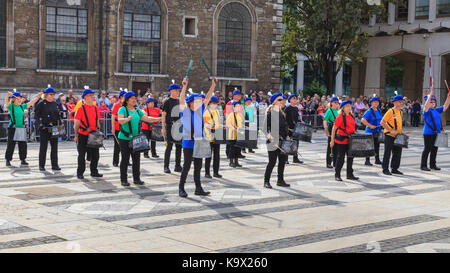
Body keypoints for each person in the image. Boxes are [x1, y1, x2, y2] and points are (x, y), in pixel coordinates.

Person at [178, 77, 216, 198]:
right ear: (190, 102)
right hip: (188, 143)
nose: (199, 102)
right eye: (196, 101)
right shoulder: (185, 111)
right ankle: (181, 188)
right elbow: (181, 100)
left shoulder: (200, 111)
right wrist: (184, 86)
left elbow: (208, 98)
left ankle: (198, 188)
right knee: (187, 166)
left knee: (198, 167)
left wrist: (213, 86)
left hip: (199, 142)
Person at [117, 92, 161, 186]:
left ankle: (136, 178)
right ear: (127, 100)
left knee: (136, 159)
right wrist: (126, 119)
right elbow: (119, 120)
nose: (134, 100)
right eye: (132, 98)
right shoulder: (122, 109)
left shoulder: (137, 110)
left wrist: (158, 119)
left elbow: (146, 118)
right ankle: (123, 179)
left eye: (135, 98)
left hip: (135, 138)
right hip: (124, 138)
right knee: (125, 159)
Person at [4, 90, 42, 166]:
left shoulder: (22, 106)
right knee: (11, 144)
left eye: (20, 98)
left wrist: (38, 97)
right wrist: (7, 96)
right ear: (14, 99)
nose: (19, 99)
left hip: (21, 127)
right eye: (17, 98)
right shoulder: (11, 107)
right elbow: (6, 103)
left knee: (23, 144)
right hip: (13, 128)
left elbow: (31, 102)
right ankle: (8, 159)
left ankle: (23, 159)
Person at [73, 88, 103, 179]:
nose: (92, 97)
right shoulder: (80, 109)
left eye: (92, 95)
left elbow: (97, 121)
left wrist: (99, 131)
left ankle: (94, 171)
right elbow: (76, 124)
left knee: (95, 155)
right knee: (82, 155)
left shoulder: (96, 108)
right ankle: (80, 173)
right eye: (90, 95)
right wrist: (75, 135)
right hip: (83, 135)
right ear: (85, 97)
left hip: (93, 135)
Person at [263, 93, 290, 189]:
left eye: (282, 99)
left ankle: (280, 180)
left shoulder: (282, 114)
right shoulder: (270, 114)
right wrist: (270, 136)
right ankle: (266, 181)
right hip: (273, 142)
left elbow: (285, 127)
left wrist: (286, 136)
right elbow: (264, 129)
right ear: (274, 102)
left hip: (282, 141)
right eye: (279, 100)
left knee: (282, 161)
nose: (282, 101)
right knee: (272, 162)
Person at [420, 92, 450, 171]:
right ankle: (423, 165)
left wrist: (448, 97)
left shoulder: (436, 110)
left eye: (434, 102)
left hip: (436, 133)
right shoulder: (426, 111)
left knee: (434, 149)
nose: (433, 103)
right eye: (431, 102)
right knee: (427, 149)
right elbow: (426, 106)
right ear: (428, 102)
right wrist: (429, 97)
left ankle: (433, 165)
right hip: (428, 133)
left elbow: (445, 106)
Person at [330, 100, 359, 181]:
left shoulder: (351, 116)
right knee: (340, 158)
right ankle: (337, 175)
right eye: (347, 106)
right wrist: (332, 141)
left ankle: (349, 174)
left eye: (350, 106)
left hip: (350, 140)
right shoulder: (340, 117)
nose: (349, 108)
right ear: (343, 108)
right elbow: (334, 129)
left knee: (350, 158)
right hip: (341, 141)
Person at [35, 86, 62, 171]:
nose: (53, 96)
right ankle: (41, 165)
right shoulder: (41, 104)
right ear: (46, 95)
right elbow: (36, 115)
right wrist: (40, 124)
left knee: (54, 147)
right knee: (43, 147)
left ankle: (54, 165)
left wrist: (60, 123)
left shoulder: (55, 104)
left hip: (54, 128)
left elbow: (58, 115)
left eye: (54, 94)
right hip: (44, 128)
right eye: (51, 94)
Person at [380, 95, 405, 176]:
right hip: (389, 135)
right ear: (395, 103)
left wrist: (401, 132)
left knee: (397, 152)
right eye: (400, 102)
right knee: (387, 152)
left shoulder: (401, 112)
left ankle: (394, 168)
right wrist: (390, 130)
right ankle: (385, 169)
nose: (401, 103)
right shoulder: (390, 111)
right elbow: (382, 122)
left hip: (398, 135)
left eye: (402, 102)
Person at [162, 82, 183, 174]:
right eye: (175, 90)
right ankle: (166, 166)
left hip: (178, 127)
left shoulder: (179, 101)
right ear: (171, 91)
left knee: (179, 147)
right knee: (169, 147)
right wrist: (163, 127)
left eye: (178, 90)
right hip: (170, 126)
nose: (177, 92)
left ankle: (177, 166)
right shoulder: (167, 102)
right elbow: (163, 115)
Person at [203, 96, 223, 178]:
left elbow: (218, 122)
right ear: (210, 103)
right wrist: (212, 126)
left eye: (216, 103)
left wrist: (221, 126)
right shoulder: (206, 112)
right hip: (209, 135)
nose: (214, 105)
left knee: (217, 155)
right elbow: (205, 124)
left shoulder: (217, 111)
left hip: (217, 135)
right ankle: (207, 172)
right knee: (208, 155)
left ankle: (216, 172)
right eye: (213, 103)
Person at [361, 95, 383, 166]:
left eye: (377, 102)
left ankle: (377, 159)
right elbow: (363, 120)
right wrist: (370, 125)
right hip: (370, 131)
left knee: (377, 146)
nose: (376, 103)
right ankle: (367, 160)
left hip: (377, 130)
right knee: (369, 146)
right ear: (371, 103)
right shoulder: (369, 111)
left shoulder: (379, 110)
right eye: (374, 102)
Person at [285, 94, 303, 164]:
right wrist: (286, 127)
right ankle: (285, 159)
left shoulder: (296, 108)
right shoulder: (287, 108)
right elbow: (285, 118)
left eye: (295, 98)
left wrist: (300, 121)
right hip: (289, 128)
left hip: (295, 128)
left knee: (296, 143)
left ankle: (295, 158)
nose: (295, 100)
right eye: (293, 98)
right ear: (290, 100)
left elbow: (297, 117)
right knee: (287, 143)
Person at [226, 101, 244, 168]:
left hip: (238, 134)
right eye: (237, 106)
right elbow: (228, 124)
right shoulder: (231, 115)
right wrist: (234, 128)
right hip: (232, 134)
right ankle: (231, 162)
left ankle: (236, 161)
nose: (238, 108)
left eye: (239, 106)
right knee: (232, 148)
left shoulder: (239, 115)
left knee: (237, 148)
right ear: (233, 107)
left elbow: (241, 123)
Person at [111, 90, 127, 167]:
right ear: (121, 97)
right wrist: (113, 128)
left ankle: (126, 160)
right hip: (118, 127)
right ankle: (115, 161)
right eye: (125, 96)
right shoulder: (116, 105)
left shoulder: (128, 105)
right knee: (117, 146)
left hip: (126, 128)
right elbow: (113, 117)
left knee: (126, 146)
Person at [323, 97, 339, 168]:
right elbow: (325, 120)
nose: (336, 104)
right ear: (331, 103)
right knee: (330, 146)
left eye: (337, 102)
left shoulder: (339, 111)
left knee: (337, 146)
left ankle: (335, 162)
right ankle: (328, 162)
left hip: (338, 128)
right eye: (335, 102)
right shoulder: (329, 110)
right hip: (331, 127)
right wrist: (326, 129)